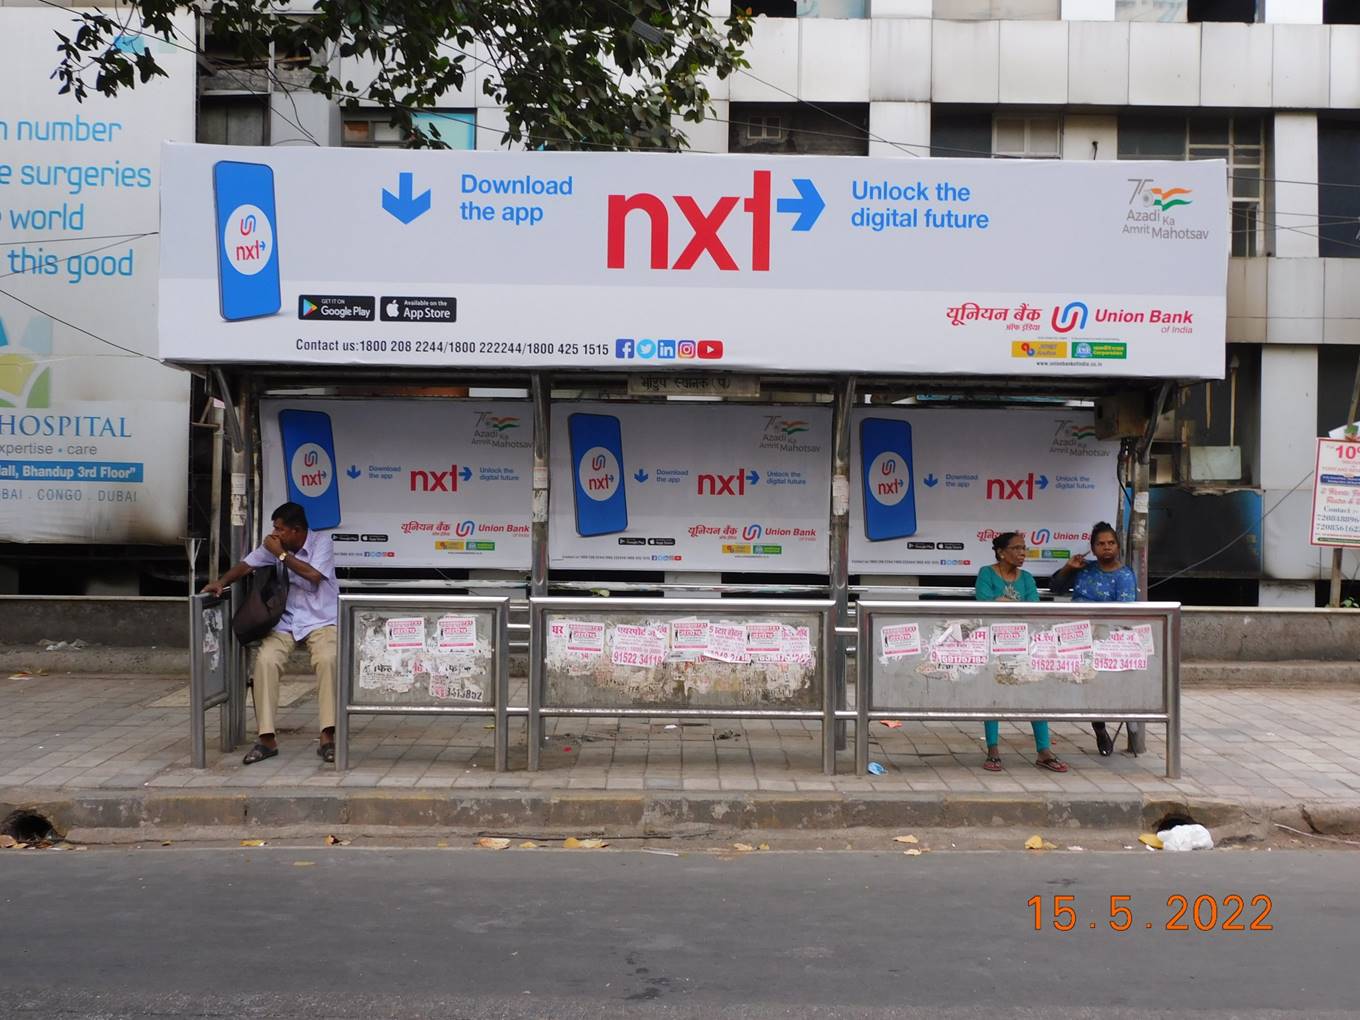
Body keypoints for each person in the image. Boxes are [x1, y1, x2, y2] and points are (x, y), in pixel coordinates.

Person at [202, 502, 339, 764]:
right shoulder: (277, 547)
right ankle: (266, 738)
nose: (274, 534)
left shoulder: (321, 543)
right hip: (285, 621)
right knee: (265, 662)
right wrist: (221, 582)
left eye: (280, 529)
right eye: (274, 528)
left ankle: (327, 736)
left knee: (328, 660)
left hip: (322, 620)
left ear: (297, 531)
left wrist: (282, 556)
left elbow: (314, 576)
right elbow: (245, 565)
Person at [974, 531, 1068, 774]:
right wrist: (1008, 606)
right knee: (993, 695)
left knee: (1035, 693)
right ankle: (993, 749)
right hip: (995, 644)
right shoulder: (986, 573)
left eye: (1024, 548)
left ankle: (1043, 751)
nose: (1022, 553)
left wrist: (1003, 603)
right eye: (1016, 548)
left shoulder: (1026, 578)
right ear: (1001, 552)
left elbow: (1033, 609)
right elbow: (984, 603)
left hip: (1024, 644)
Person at [1050, 520, 1138, 756]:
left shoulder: (1124, 575)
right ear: (1093, 547)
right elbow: (1055, 587)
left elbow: (1125, 613)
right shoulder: (1084, 568)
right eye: (1101, 544)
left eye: (1111, 543)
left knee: (1100, 686)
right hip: (1075, 635)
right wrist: (1069, 568)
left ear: (1118, 547)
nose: (1106, 547)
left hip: (1105, 638)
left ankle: (1099, 726)